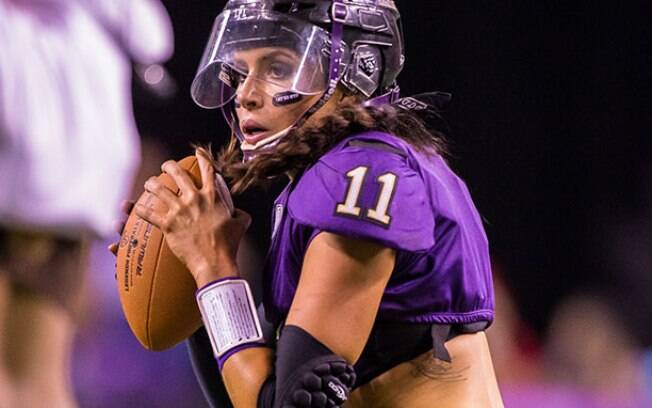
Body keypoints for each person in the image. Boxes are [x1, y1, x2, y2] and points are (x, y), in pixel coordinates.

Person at [134, 0, 502, 406]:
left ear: (357, 71)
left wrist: (212, 266)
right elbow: (251, 394)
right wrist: (194, 277)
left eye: (277, 68)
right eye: (239, 73)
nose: (246, 96)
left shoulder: (362, 174)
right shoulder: (336, 174)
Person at [0, 0, 173, 406]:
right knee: (31, 375)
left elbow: (151, 36)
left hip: (30, 161)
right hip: (76, 176)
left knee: (29, 374)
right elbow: (151, 36)